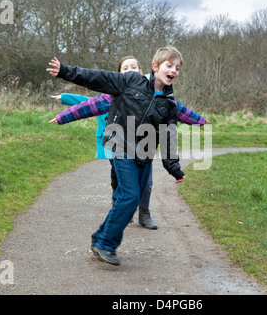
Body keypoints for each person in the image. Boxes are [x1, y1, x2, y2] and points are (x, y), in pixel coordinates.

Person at [47, 46, 185, 265]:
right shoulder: (131, 81)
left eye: (177, 68)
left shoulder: (169, 104)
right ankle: (105, 244)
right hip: (119, 144)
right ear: (155, 67)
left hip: (143, 153)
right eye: (169, 66)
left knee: (128, 199)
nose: (174, 71)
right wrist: (65, 71)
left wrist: (174, 167)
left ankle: (100, 239)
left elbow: (169, 138)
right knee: (129, 196)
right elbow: (96, 78)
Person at [48, 56, 207, 230]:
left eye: (133, 67)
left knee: (146, 182)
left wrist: (199, 120)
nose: (129, 70)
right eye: (125, 68)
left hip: (144, 148)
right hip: (120, 146)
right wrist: (62, 116)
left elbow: (179, 110)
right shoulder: (114, 93)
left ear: (141, 72)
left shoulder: (159, 95)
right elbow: (87, 106)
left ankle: (144, 212)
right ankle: (121, 210)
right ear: (119, 75)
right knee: (120, 180)